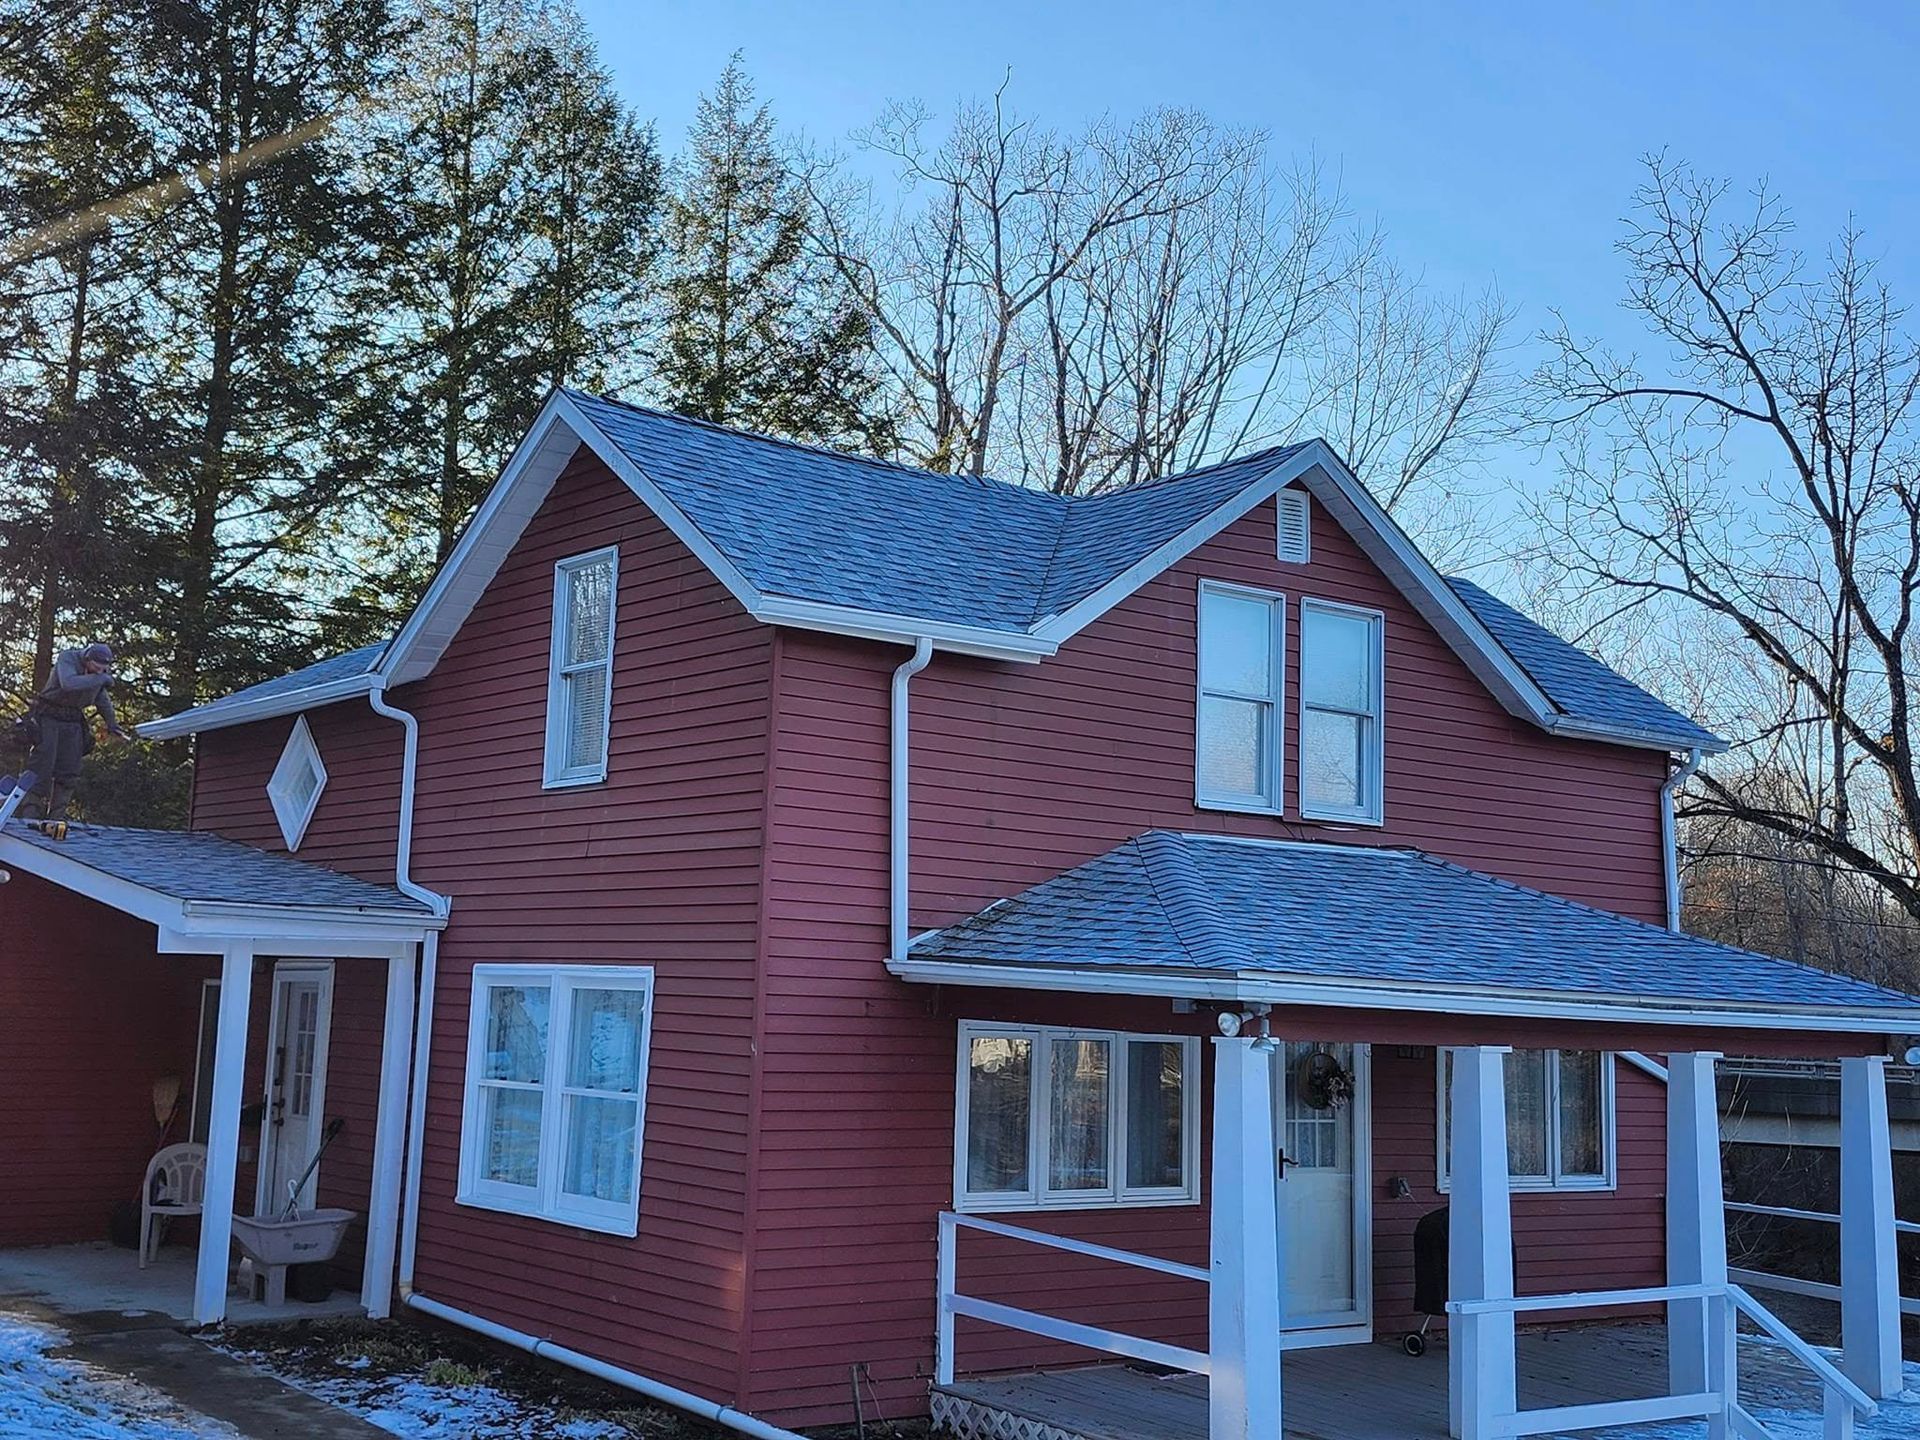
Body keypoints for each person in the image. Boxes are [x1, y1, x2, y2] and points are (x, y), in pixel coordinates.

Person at [21, 642, 128, 821]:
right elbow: (68, 683)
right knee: (43, 764)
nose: (99, 672)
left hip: (72, 720)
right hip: (49, 715)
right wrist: (101, 679)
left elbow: (102, 700)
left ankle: (56, 818)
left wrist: (112, 724)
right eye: (95, 667)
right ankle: (30, 814)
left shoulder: (100, 675)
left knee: (69, 769)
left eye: (103, 669)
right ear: (87, 659)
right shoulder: (67, 658)